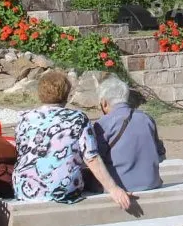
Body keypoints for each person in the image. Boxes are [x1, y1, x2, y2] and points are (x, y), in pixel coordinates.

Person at [12, 71, 130, 209]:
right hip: (63, 191)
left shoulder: (24, 118)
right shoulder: (77, 118)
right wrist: (113, 189)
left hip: (24, 189)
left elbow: (22, 151)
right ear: (66, 94)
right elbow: (91, 157)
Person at [93, 77, 165, 193]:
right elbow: (161, 154)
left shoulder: (102, 124)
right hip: (152, 183)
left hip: (120, 185)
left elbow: (96, 158)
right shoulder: (147, 118)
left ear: (104, 102)